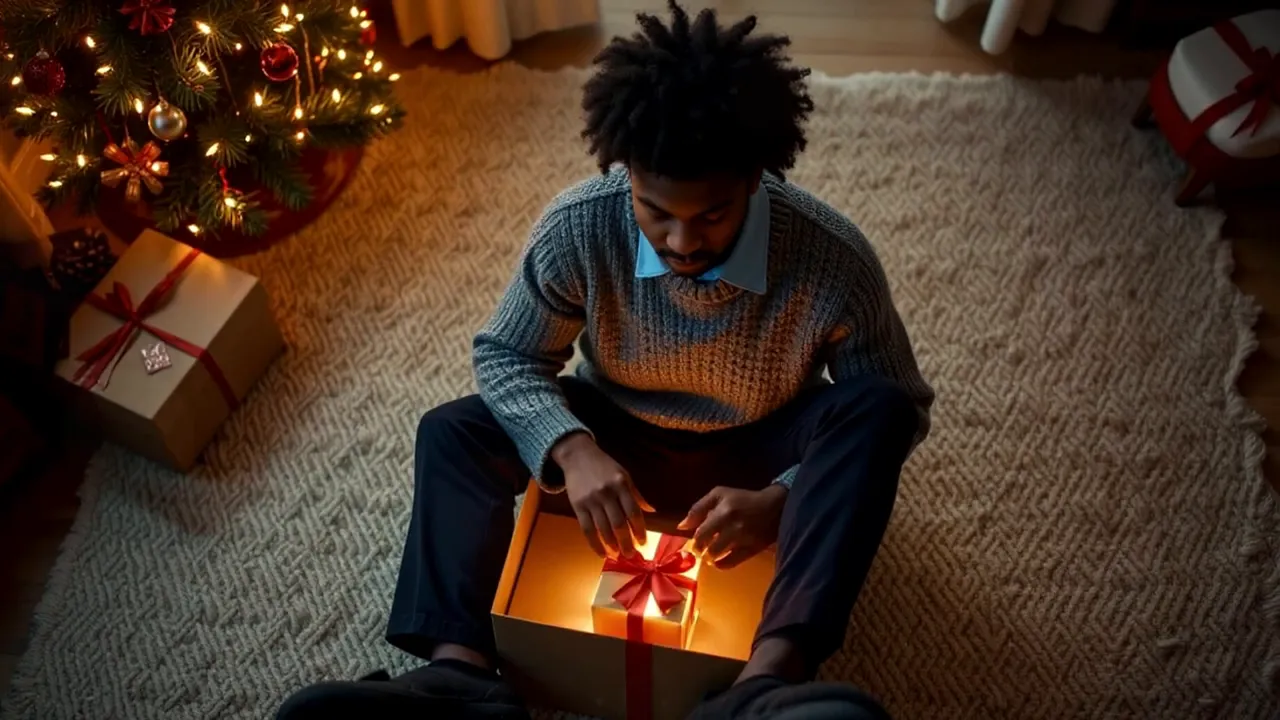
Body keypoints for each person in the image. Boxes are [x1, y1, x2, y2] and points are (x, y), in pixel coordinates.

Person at [277, 2, 933, 718]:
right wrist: (572, 449)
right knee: (453, 431)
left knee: (876, 409)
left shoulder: (832, 258)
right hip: (616, 430)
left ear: (755, 177)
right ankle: (459, 676)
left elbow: (900, 408)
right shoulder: (578, 228)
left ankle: (765, 684)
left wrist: (782, 497)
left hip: (760, 445)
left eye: (712, 214)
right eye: (657, 211)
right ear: (625, 175)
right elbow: (506, 357)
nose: (683, 241)